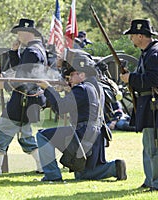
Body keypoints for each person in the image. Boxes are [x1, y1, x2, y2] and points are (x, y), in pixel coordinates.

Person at [36, 49, 127, 182]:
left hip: (82, 133)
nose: (70, 79)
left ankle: (52, 175)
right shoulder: (94, 88)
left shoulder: (81, 89)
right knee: (83, 175)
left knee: (42, 135)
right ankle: (114, 168)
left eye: (72, 75)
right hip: (96, 135)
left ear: (82, 75)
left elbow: (61, 109)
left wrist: (48, 89)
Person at [0, 18, 47, 175]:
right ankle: (42, 166)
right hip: (29, 99)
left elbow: (22, 79)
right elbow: (21, 70)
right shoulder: (35, 49)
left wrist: (4, 85)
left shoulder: (32, 52)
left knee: (0, 131)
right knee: (25, 137)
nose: (18, 35)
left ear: (27, 33)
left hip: (24, 99)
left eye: (19, 32)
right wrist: (14, 52)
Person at [121, 19, 158, 191]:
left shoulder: (156, 52)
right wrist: (132, 78)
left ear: (140, 35)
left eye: (132, 35)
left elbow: (154, 80)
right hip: (150, 104)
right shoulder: (148, 52)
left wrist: (131, 78)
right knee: (149, 146)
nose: (131, 39)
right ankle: (150, 180)